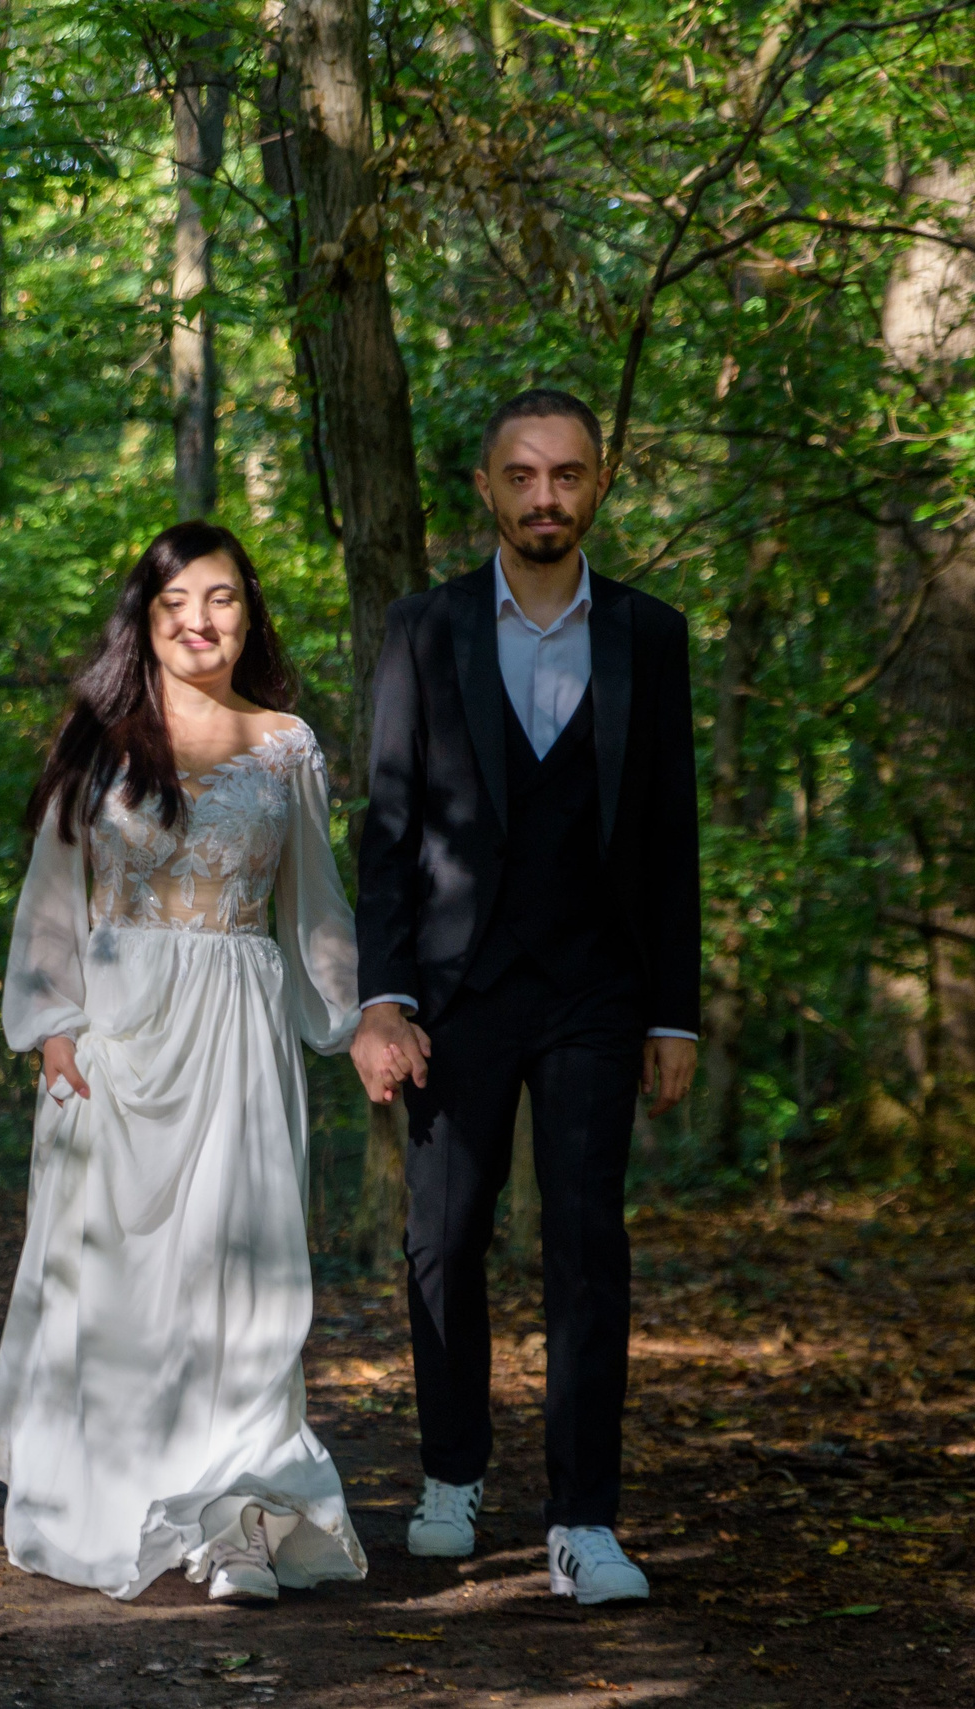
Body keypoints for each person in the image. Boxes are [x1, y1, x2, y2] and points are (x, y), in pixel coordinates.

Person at [350, 389, 699, 1605]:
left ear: (600, 482)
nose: (544, 495)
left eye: (567, 474)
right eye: (521, 474)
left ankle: (581, 1517)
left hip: (598, 994)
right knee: (442, 1238)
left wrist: (673, 1010)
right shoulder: (423, 627)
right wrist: (381, 998)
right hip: (453, 995)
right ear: (486, 487)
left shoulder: (650, 635)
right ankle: (451, 1472)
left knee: (587, 1248)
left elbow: (666, 833)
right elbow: (387, 823)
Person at [0, 521, 367, 1606]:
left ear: (250, 613)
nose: (201, 621)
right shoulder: (98, 740)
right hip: (117, 1038)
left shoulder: (287, 743)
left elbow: (315, 910)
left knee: (243, 1275)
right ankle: (105, 1496)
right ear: (144, 620)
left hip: (239, 1034)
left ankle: (237, 1516)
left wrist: (358, 1019)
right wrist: (51, 1028)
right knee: (122, 1281)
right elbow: (51, 896)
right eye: (176, 603)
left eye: (224, 599)